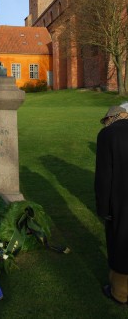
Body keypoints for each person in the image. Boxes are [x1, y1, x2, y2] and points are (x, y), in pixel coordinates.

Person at [95, 105, 128, 304]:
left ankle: (120, 293)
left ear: (113, 117)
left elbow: (104, 176)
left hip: (120, 198)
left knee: (120, 241)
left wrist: (103, 208)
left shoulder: (108, 135)